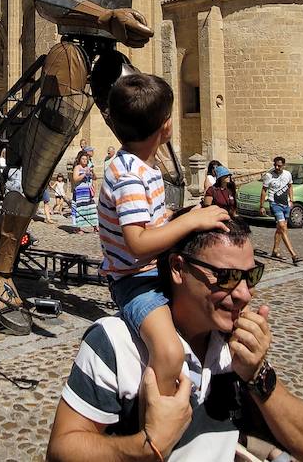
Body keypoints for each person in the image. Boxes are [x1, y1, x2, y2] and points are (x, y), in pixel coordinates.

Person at [47, 219, 303, 462]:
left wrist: (257, 372)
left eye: (252, 276)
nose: (244, 294)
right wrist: (144, 448)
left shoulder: (235, 344)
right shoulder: (116, 342)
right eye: (227, 277)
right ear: (178, 268)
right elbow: (61, 449)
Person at [99, 73, 232, 398]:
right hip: (136, 281)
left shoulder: (142, 165)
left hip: (157, 269)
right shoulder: (129, 176)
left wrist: (182, 216)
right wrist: (188, 223)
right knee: (170, 353)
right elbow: (138, 243)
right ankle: (155, 430)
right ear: (167, 127)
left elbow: (153, 221)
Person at [262, 157, 302, 265]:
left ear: (283, 165)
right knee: (283, 227)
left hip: (286, 204)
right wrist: (261, 206)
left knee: (281, 228)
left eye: (279, 166)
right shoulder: (268, 176)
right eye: (275, 165)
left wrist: (292, 199)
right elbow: (264, 190)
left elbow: (290, 186)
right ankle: (293, 255)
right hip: (274, 204)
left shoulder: (287, 174)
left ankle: (275, 250)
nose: (276, 167)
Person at [71, 151, 97, 233]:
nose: (85, 160)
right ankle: (78, 228)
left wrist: (92, 172)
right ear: (79, 159)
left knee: (91, 208)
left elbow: (95, 178)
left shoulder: (88, 167)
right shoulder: (77, 168)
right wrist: (84, 174)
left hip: (87, 191)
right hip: (79, 192)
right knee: (80, 209)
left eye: (86, 159)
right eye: (83, 159)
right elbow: (75, 179)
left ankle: (95, 226)